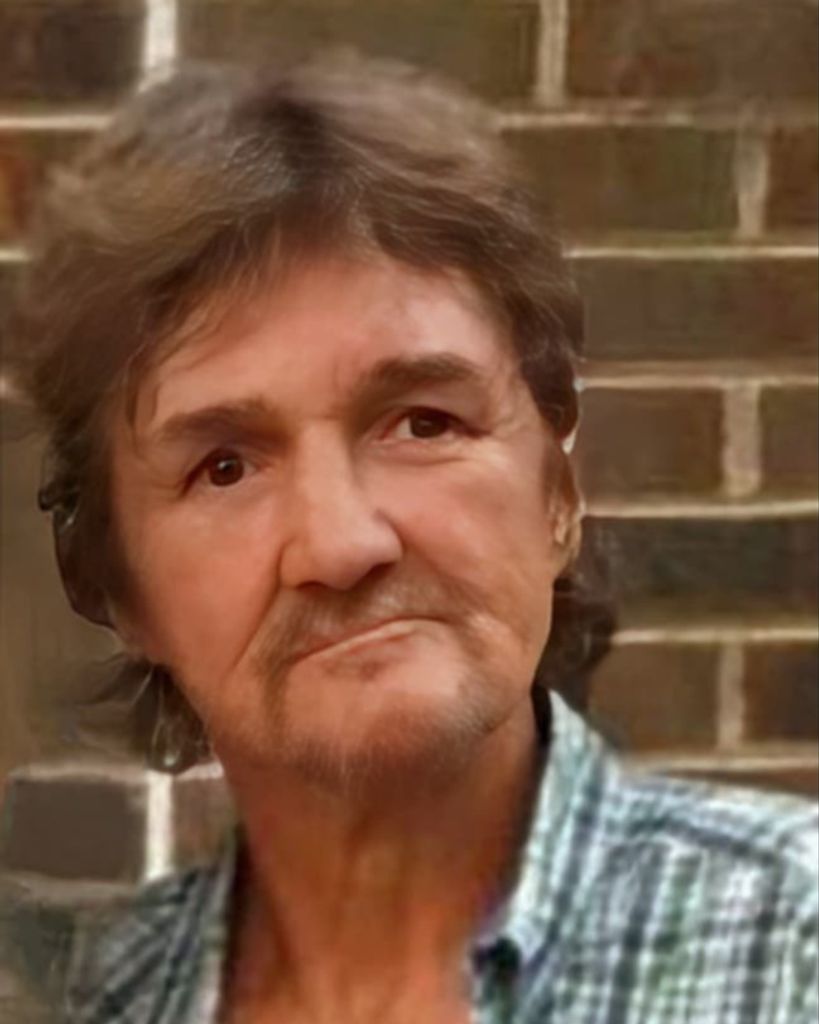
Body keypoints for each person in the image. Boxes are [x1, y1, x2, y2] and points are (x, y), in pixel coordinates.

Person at [8, 55, 817, 1024]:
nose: (341, 543)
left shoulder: (791, 943)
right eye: (224, 467)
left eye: (423, 423)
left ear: (558, 496)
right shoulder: (99, 1000)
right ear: (121, 591)